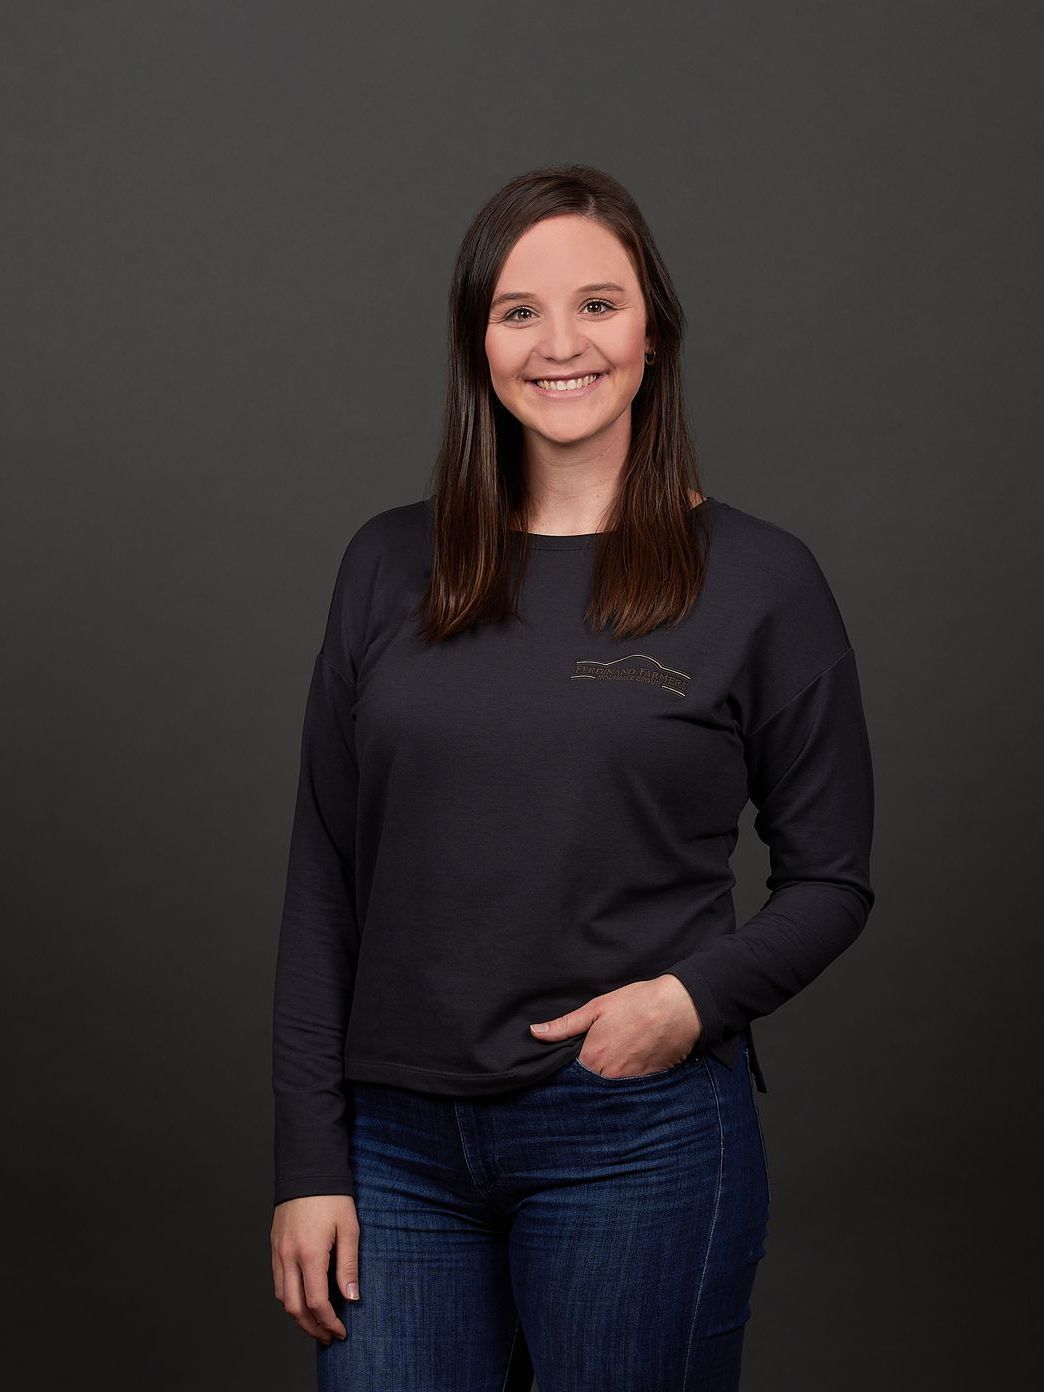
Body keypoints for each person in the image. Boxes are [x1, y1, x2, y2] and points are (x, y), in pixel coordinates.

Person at [269, 164, 875, 1392]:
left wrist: (690, 1002)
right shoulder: (387, 565)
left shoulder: (759, 579)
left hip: (635, 1136)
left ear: (655, 334)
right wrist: (309, 1162)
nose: (560, 345)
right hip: (394, 1151)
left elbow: (832, 879)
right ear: (477, 344)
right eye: (518, 311)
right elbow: (326, 881)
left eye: (598, 304)